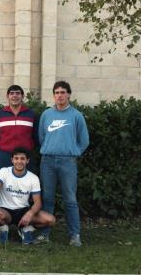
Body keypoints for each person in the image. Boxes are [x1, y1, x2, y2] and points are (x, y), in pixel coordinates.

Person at [36, 81, 89, 247]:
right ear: (53, 95)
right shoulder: (46, 115)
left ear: (68, 95)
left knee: (70, 199)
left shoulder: (76, 115)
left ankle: (75, 235)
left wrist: (73, 151)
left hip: (68, 162)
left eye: (63, 92)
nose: (60, 95)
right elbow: (41, 137)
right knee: (47, 198)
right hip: (48, 161)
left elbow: (84, 140)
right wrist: (50, 148)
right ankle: (44, 234)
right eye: (57, 92)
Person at [0, 147, 55, 245]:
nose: (19, 161)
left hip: (23, 211)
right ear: (12, 160)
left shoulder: (33, 178)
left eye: (22, 159)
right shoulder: (4, 172)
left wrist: (30, 213)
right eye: (16, 158)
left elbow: (38, 202)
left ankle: (26, 229)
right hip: (6, 211)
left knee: (50, 219)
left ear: (27, 161)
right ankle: (3, 229)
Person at [0, 85, 38, 173]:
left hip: (25, 156)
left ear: (22, 96)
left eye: (18, 93)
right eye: (12, 93)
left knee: (26, 184)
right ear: (7, 97)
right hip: (4, 156)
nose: (15, 96)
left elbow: (36, 136)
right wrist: (3, 146)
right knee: (2, 183)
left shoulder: (31, 114)